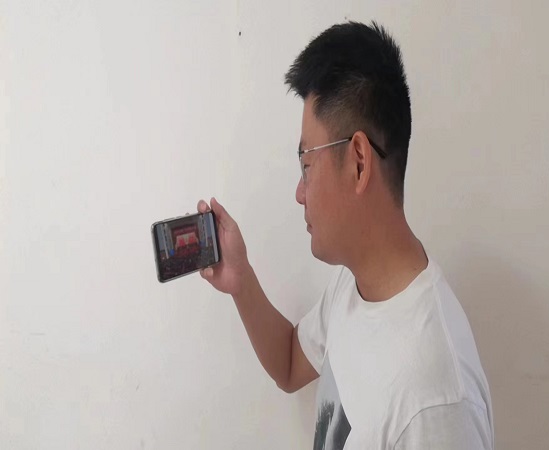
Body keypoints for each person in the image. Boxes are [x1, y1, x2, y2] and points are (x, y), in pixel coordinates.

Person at [197, 21, 493, 450]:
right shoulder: (353, 286)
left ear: (358, 162)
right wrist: (240, 280)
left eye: (306, 164)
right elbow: (290, 363)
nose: (299, 193)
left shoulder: (436, 402)